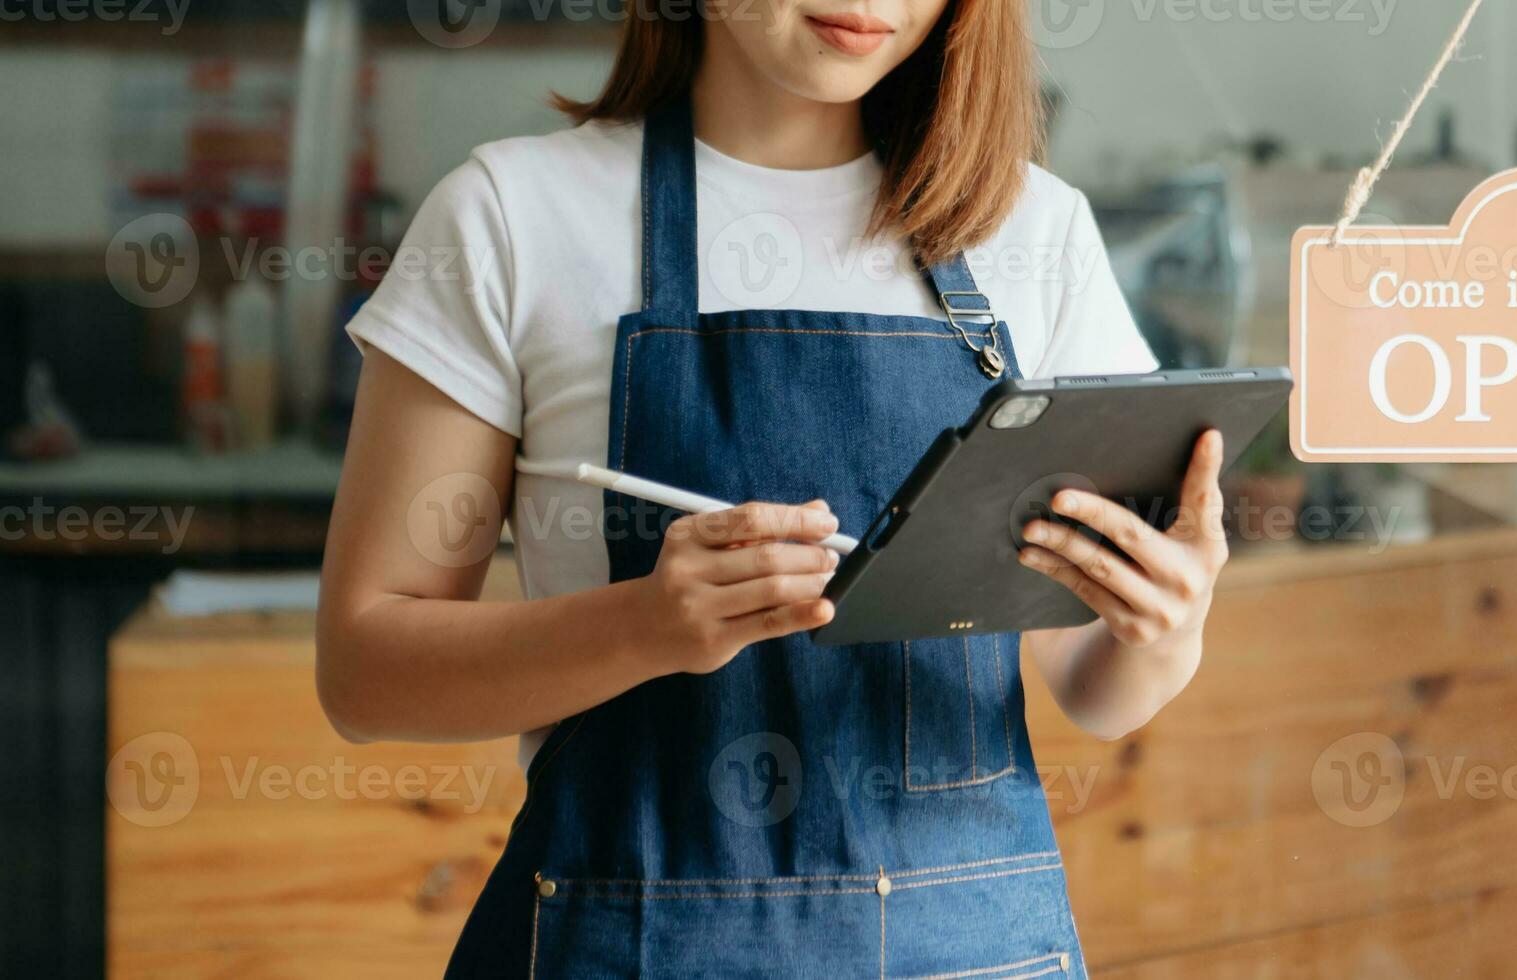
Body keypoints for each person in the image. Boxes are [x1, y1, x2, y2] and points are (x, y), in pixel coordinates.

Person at [314, 2, 1227, 975]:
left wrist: (1165, 626)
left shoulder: (1035, 230)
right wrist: (642, 626)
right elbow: (365, 671)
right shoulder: (511, 214)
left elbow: (1096, 690)